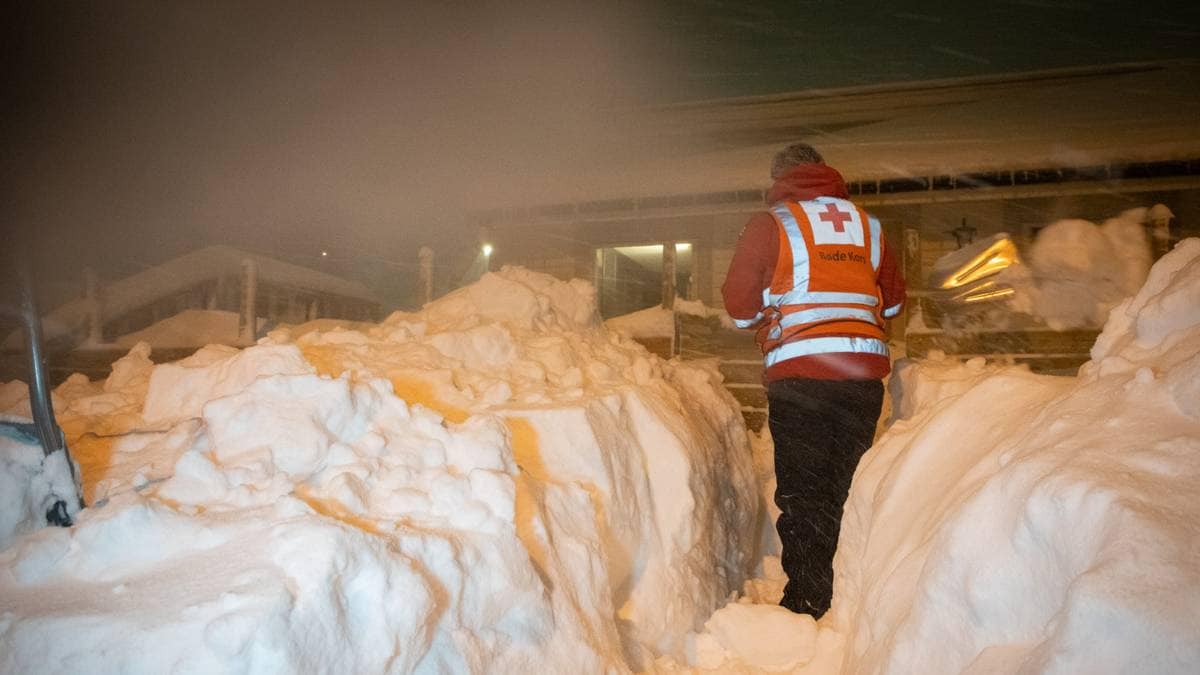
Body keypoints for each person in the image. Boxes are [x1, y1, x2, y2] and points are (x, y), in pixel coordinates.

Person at [722, 143, 905, 618]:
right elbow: (893, 303)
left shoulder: (770, 225)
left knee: (804, 489)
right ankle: (848, 588)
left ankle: (807, 597)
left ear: (779, 178)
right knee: (846, 483)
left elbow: (739, 307)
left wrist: (767, 313)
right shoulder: (868, 225)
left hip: (800, 375)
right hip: (860, 376)